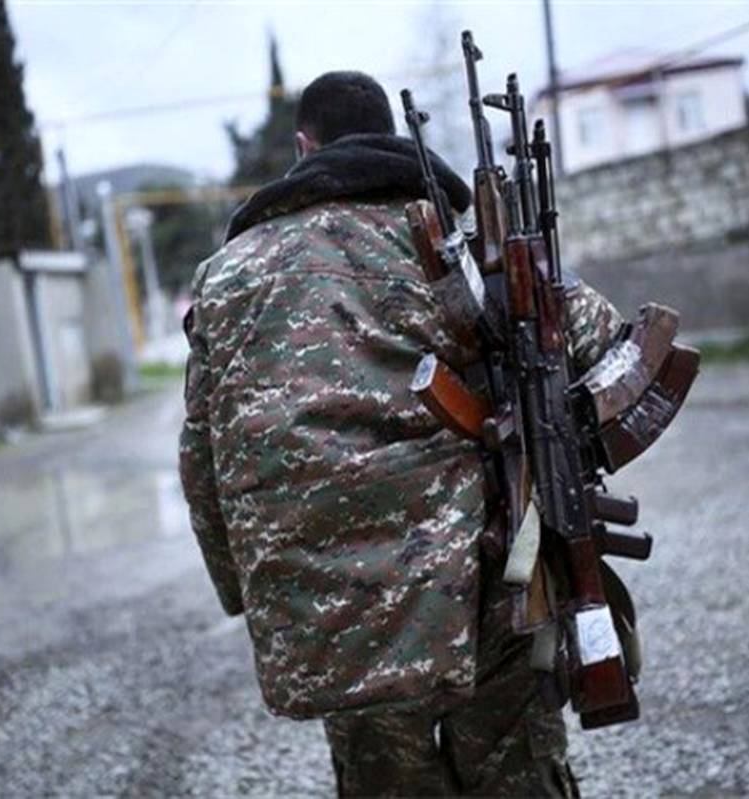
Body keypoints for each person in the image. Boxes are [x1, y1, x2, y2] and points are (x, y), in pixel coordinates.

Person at [179, 70, 625, 797]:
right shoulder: (460, 244)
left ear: (304, 148)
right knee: (515, 771)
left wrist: (247, 591)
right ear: (388, 137)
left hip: (331, 608)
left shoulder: (226, 278)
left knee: (386, 781)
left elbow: (201, 460)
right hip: (486, 582)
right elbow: (611, 348)